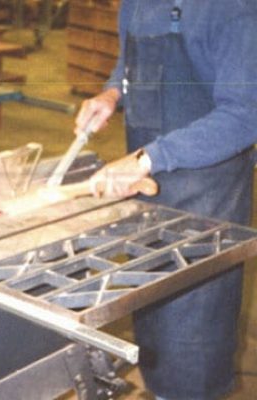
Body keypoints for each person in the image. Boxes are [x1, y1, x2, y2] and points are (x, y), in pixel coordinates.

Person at [75, 0, 257, 399]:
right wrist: (110, 93)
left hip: (207, 197)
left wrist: (148, 158)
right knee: (153, 318)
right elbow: (129, 64)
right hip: (148, 192)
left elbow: (245, 115)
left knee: (193, 333)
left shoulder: (232, 8)